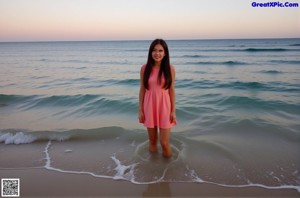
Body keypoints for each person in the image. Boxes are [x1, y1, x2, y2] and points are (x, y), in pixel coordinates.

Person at [139, 39, 176, 158]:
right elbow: (142, 89)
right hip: (149, 106)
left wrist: (173, 110)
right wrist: (140, 109)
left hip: (165, 107)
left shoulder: (170, 69)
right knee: (153, 141)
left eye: (160, 50)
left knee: (164, 143)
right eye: (154, 50)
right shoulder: (144, 68)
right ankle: (154, 168)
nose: (157, 53)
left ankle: (169, 168)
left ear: (165, 53)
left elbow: (171, 90)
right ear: (150, 52)